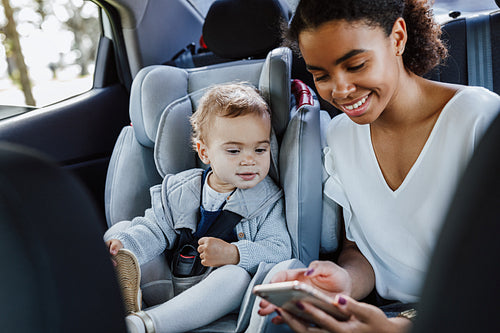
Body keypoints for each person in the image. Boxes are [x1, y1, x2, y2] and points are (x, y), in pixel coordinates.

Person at [258, 0, 500, 332]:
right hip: (390, 313)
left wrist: (405, 326)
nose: (340, 89)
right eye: (321, 75)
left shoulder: (480, 119)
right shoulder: (340, 137)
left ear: (398, 38)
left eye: (356, 65)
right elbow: (360, 251)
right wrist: (341, 282)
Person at [104, 83, 292, 333]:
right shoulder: (181, 190)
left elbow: (279, 251)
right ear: (204, 152)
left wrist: (234, 254)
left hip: (213, 296)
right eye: (234, 150)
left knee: (235, 278)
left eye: (260, 149)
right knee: (121, 232)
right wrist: (126, 245)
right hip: (168, 283)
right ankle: (126, 297)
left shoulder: (267, 202)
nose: (249, 160)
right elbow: (154, 229)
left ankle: (145, 324)